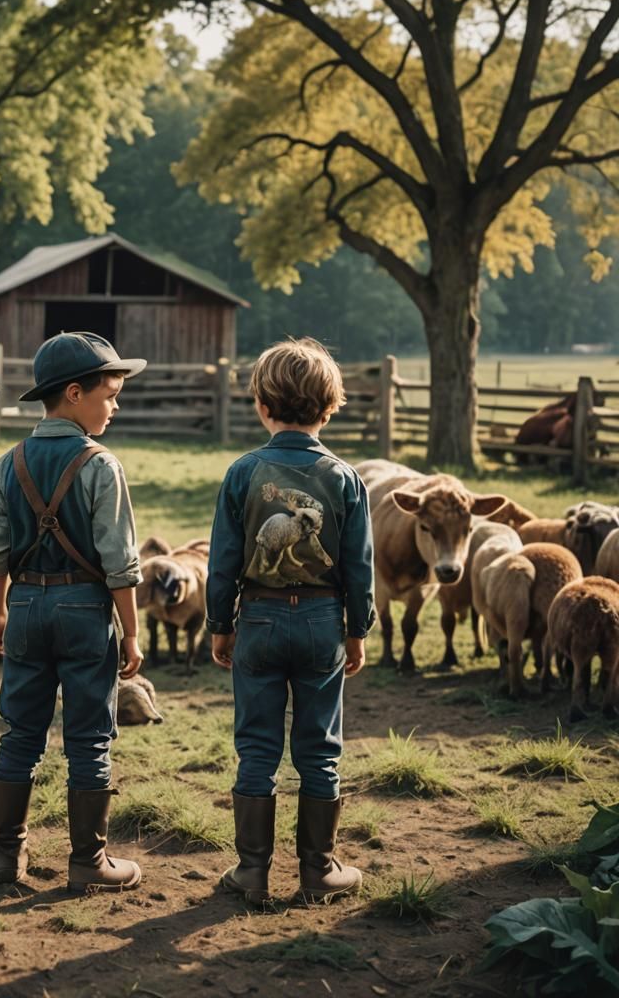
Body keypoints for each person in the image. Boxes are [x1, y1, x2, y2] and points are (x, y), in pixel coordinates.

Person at [207, 337, 375, 905]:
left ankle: (251, 872)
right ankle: (318, 870)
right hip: (324, 621)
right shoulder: (346, 479)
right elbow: (358, 565)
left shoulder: (242, 472)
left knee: (256, 746)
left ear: (261, 403)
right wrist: (358, 629)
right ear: (330, 407)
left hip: (257, 618)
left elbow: (224, 558)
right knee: (319, 747)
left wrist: (219, 624)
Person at [0, 330, 147, 891]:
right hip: (83, 609)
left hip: (24, 605)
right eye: (110, 395)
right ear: (74, 393)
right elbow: (120, 560)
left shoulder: (7, 463)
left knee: (19, 732)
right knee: (90, 737)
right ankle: (88, 863)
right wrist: (131, 632)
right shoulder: (102, 466)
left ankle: (5, 857)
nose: (115, 407)